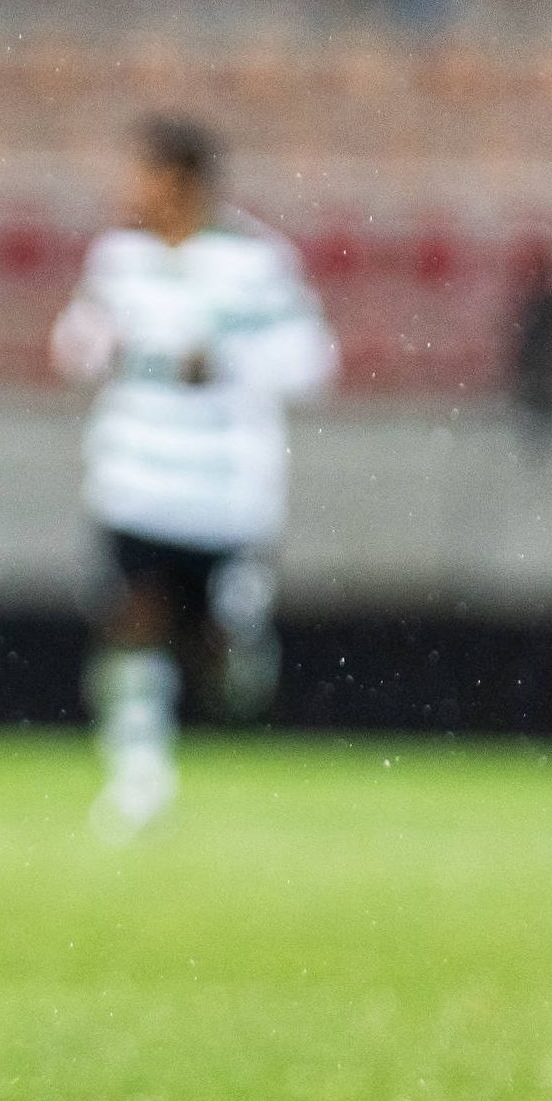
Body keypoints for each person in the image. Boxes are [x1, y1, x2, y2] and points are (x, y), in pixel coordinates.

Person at [49, 118, 334, 842]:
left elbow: (312, 360)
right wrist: (99, 346)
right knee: (133, 623)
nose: (131, 188)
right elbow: (72, 347)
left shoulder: (257, 260)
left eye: (144, 173)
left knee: (224, 660)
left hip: (223, 493)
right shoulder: (118, 257)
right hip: (135, 478)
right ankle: (138, 777)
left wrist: (228, 363)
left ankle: (242, 638)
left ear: (181, 179)